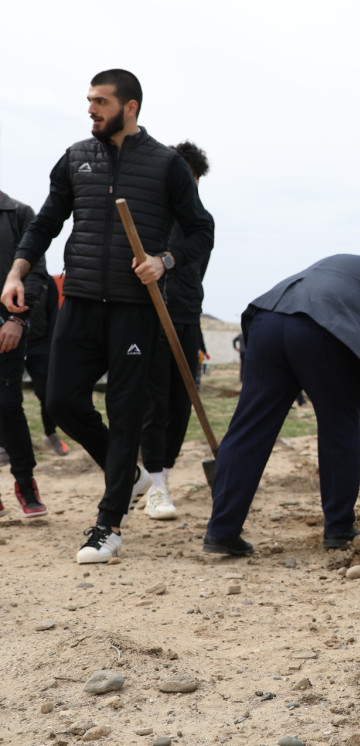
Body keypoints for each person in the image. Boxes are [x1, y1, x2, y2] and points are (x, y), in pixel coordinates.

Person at [2, 69, 214, 564]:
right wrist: (16, 273)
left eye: (100, 101)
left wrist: (165, 261)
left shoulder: (166, 165)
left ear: (130, 106)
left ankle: (108, 525)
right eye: (89, 100)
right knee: (60, 399)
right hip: (79, 301)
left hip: (134, 309)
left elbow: (200, 229)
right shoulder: (76, 158)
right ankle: (132, 476)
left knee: (125, 415)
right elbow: (46, 224)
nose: (91, 109)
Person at [202, 253, 360, 555]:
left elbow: (339, 315)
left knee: (250, 428)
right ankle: (339, 529)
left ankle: (221, 531)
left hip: (268, 319)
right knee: (339, 429)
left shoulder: (352, 267)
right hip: (320, 331)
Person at [140, 141, 215, 521]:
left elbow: (192, 274)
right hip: (147, 317)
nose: (190, 186)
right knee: (154, 401)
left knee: (181, 402)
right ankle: (153, 483)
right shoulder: (150, 216)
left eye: (194, 180)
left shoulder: (200, 225)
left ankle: (162, 476)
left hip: (185, 317)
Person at [0, 190, 50, 517]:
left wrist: (17, 319)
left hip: (8, 328)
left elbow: (36, 270)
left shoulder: (17, 213)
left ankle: (25, 482)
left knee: (8, 405)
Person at [24, 273, 67, 457]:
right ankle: (4, 445)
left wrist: (52, 349)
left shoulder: (47, 281)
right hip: (9, 343)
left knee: (47, 394)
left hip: (39, 345)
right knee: (6, 398)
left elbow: (54, 315)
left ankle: (50, 434)